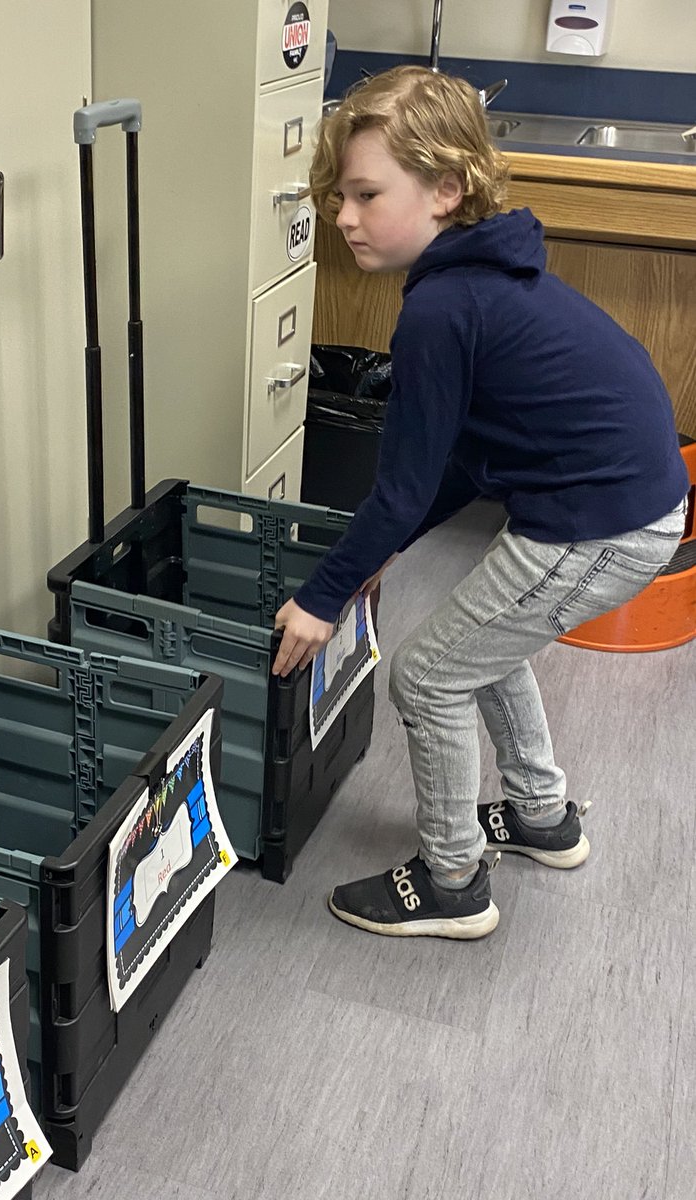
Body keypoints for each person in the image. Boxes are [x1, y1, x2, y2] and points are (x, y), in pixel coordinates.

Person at [272, 65, 689, 940]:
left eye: (365, 193)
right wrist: (384, 551)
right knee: (480, 646)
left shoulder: (443, 308)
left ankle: (454, 880)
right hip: (612, 507)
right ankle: (541, 818)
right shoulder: (479, 279)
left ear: (445, 189)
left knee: (426, 678)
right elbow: (454, 467)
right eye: (337, 195)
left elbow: (402, 484)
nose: (343, 216)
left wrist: (321, 596)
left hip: (601, 525)